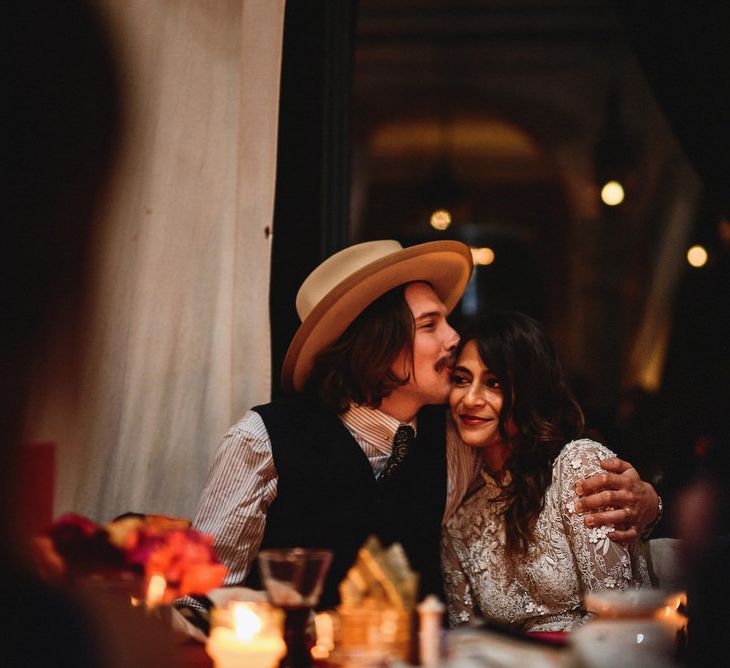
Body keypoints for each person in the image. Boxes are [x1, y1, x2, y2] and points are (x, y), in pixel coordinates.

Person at [191, 241, 660, 615]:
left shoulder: (457, 437)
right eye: (430, 324)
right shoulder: (262, 440)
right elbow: (199, 595)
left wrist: (648, 500)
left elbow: (540, 457)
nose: (454, 338)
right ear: (375, 345)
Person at [441, 311, 652, 631]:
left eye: (493, 383)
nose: (470, 399)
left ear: (529, 391)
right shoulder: (460, 518)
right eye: (461, 379)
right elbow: (466, 644)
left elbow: (616, 620)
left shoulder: (577, 469)